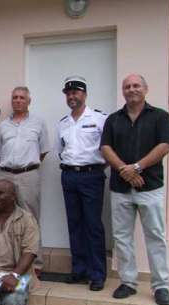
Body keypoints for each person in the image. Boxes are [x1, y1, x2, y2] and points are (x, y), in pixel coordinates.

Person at [100, 74, 169, 305]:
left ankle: (161, 285)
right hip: (120, 188)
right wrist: (125, 170)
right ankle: (128, 282)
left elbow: (164, 146)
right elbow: (105, 147)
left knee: (155, 236)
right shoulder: (113, 119)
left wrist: (137, 167)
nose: (131, 89)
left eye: (136, 86)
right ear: (123, 91)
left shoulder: (160, 116)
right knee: (122, 237)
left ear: (145, 89)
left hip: (150, 186)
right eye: (127, 86)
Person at [56, 76, 107, 291]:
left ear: (84, 94)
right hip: (69, 176)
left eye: (76, 92)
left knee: (93, 226)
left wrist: (93, 169)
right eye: (68, 93)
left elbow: (107, 149)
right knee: (75, 225)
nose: (71, 96)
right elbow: (60, 151)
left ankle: (97, 274)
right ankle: (79, 270)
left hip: (92, 176)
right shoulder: (63, 124)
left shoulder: (99, 118)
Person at [0, 86, 49, 271]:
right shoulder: (3, 125)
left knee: (30, 219)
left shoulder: (39, 123)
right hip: (6, 175)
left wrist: (26, 166)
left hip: (28, 175)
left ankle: (35, 264)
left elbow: (43, 151)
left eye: (21, 98)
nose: (17, 100)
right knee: (5, 217)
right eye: (15, 97)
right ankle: (9, 261)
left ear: (28, 101)